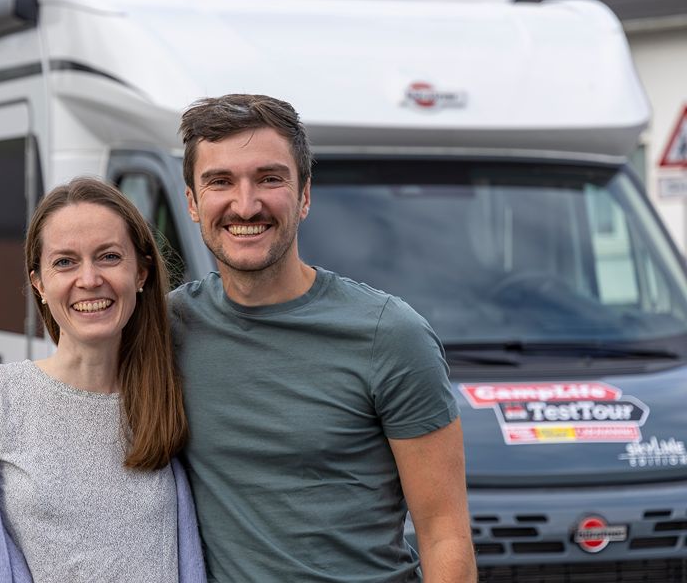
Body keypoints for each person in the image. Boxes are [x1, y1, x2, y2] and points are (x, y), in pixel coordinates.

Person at [169, 94, 476, 582]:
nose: (245, 204)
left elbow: (445, 535)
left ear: (305, 194)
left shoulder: (390, 334)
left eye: (270, 179)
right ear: (191, 202)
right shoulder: (169, 328)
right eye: (220, 181)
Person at [0, 177, 206, 583]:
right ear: (39, 284)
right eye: (65, 262)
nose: (89, 278)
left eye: (109, 256)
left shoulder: (166, 396)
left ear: (142, 273)